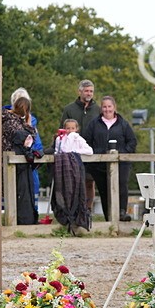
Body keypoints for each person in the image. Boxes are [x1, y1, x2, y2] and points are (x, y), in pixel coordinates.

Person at [83, 96, 138, 221]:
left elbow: (132, 142)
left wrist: (121, 153)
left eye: (109, 106)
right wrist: (97, 153)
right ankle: (109, 217)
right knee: (104, 190)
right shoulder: (94, 124)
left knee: (122, 185)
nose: (107, 109)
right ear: (101, 108)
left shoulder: (123, 124)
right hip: (99, 164)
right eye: (104, 106)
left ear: (114, 107)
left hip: (121, 163)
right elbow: (86, 142)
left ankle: (122, 212)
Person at [62, 79, 102, 211]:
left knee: (89, 182)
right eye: (86, 91)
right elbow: (62, 130)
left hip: (90, 151)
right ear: (80, 91)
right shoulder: (69, 109)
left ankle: (88, 210)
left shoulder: (98, 110)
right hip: (72, 152)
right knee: (73, 182)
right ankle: (74, 209)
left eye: (91, 91)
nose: (89, 93)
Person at [1, 97, 41, 225]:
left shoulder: (7, 119)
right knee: (18, 192)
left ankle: (21, 219)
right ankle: (21, 220)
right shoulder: (12, 122)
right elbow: (27, 139)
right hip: (14, 161)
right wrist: (29, 125)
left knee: (19, 192)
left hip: (14, 161)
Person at [52, 119, 93, 236]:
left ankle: (77, 218)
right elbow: (58, 151)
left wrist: (74, 152)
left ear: (77, 129)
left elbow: (89, 151)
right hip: (63, 168)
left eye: (72, 128)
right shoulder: (60, 139)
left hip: (75, 168)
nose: (70, 131)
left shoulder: (77, 139)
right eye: (68, 128)